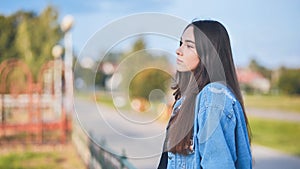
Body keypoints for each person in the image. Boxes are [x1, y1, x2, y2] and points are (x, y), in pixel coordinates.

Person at [157, 20, 252, 169]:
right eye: (181, 43)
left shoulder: (212, 97)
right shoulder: (185, 101)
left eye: (189, 46)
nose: (178, 50)